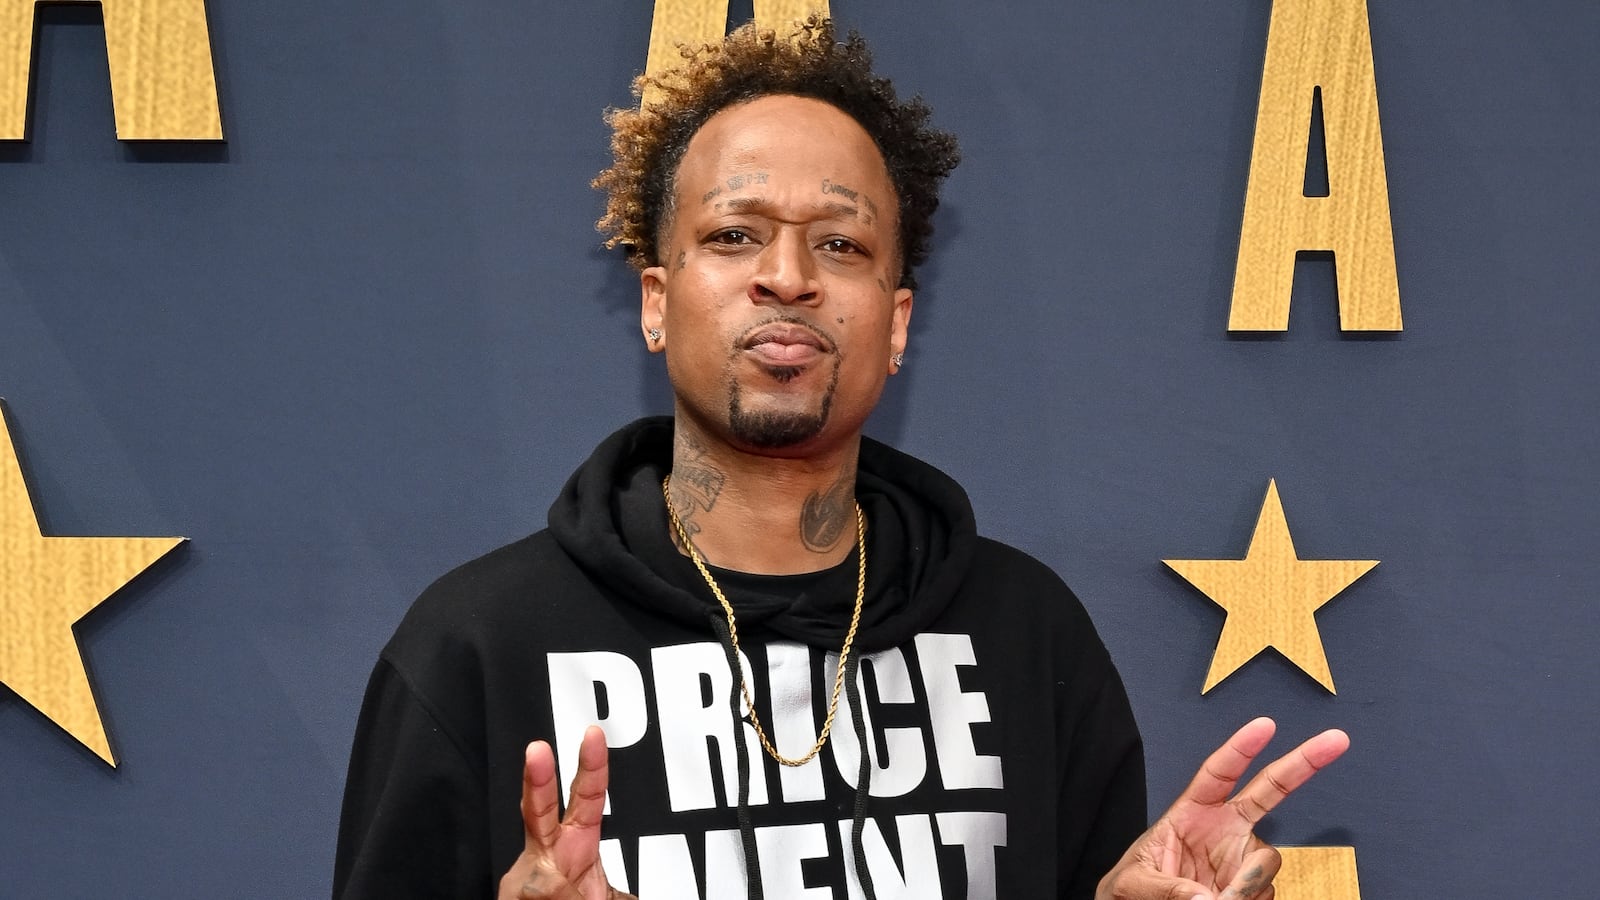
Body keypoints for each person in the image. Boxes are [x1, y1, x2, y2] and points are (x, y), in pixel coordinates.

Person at [333, 16, 1348, 900]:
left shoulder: (1026, 635)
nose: (787, 278)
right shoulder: (478, 646)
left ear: (897, 322)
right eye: (734, 236)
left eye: (841, 246)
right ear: (655, 301)